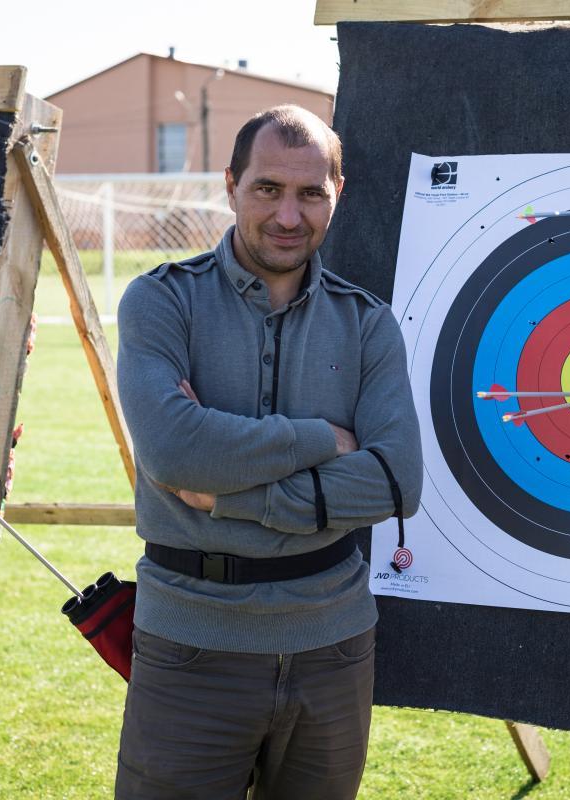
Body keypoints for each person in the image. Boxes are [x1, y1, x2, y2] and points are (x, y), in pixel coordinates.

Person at [113, 104, 423, 799]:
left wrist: (232, 496)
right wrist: (322, 439)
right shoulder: (162, 301)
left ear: (337, 195)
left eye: (311, 193)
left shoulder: (368, 323)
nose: (289, 215)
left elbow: (398, 481)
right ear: (231, 186)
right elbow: (174, 452)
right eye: (268, 188)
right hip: (191, 646)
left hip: (333, 648)